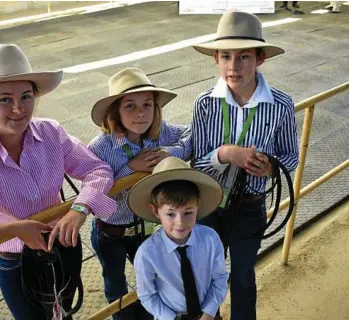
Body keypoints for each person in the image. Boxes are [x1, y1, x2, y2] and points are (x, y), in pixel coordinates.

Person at [0, 44, 117, 320]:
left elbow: (98, 170)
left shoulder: (50, 132)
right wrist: (12, 229)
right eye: (4, 99)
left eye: (26, 96)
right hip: (15, 263)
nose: (18, 108)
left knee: (67, 313)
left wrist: (80, 209)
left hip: (62, 245)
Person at [188, 11, 299, 320]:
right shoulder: (204, 103)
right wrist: (223, 154)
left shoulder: (280, 105)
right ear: (216, 59)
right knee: (207, 275)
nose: (233, 66)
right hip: (209, 205)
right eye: (225, 56)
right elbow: (196, 162)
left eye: (243, 57)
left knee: (242, 276)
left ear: (260, 58)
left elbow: (291, 154)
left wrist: (271, 169)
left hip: (250, 207)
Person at [87, 67, 191, 319]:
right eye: (130, 106)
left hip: (144, 227)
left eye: (147, 104)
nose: (141, 113)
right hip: (110, 231)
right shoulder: (100, 148)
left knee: (154, 275)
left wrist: (170, 153)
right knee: (116, 285)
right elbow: (94, 196)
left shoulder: (160, 134)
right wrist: (129, 170)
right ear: (115, 112)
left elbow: (193, 134)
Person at [130, 157, 228, 320]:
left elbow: (220, 278)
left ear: (198, 206)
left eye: (188, 213)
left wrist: (209, 313)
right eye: (170, 214)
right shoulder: (147, 253)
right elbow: (147, 295)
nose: (180, 222)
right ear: (155, 211)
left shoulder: (210, 238)